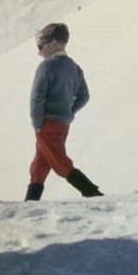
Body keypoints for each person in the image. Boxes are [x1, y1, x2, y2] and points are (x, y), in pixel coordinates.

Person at [25, 22, 102, 200]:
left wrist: (37, 123)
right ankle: (31, 200)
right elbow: (84, 96)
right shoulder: (74, 67)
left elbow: (37, 98)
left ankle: (91, 191)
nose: (39, 51)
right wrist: (69, 112)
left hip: (46, 123)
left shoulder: (46, 67)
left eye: (40, 46)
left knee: (60, 163)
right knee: (41, 161)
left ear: (54, 43)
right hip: (63, 123)